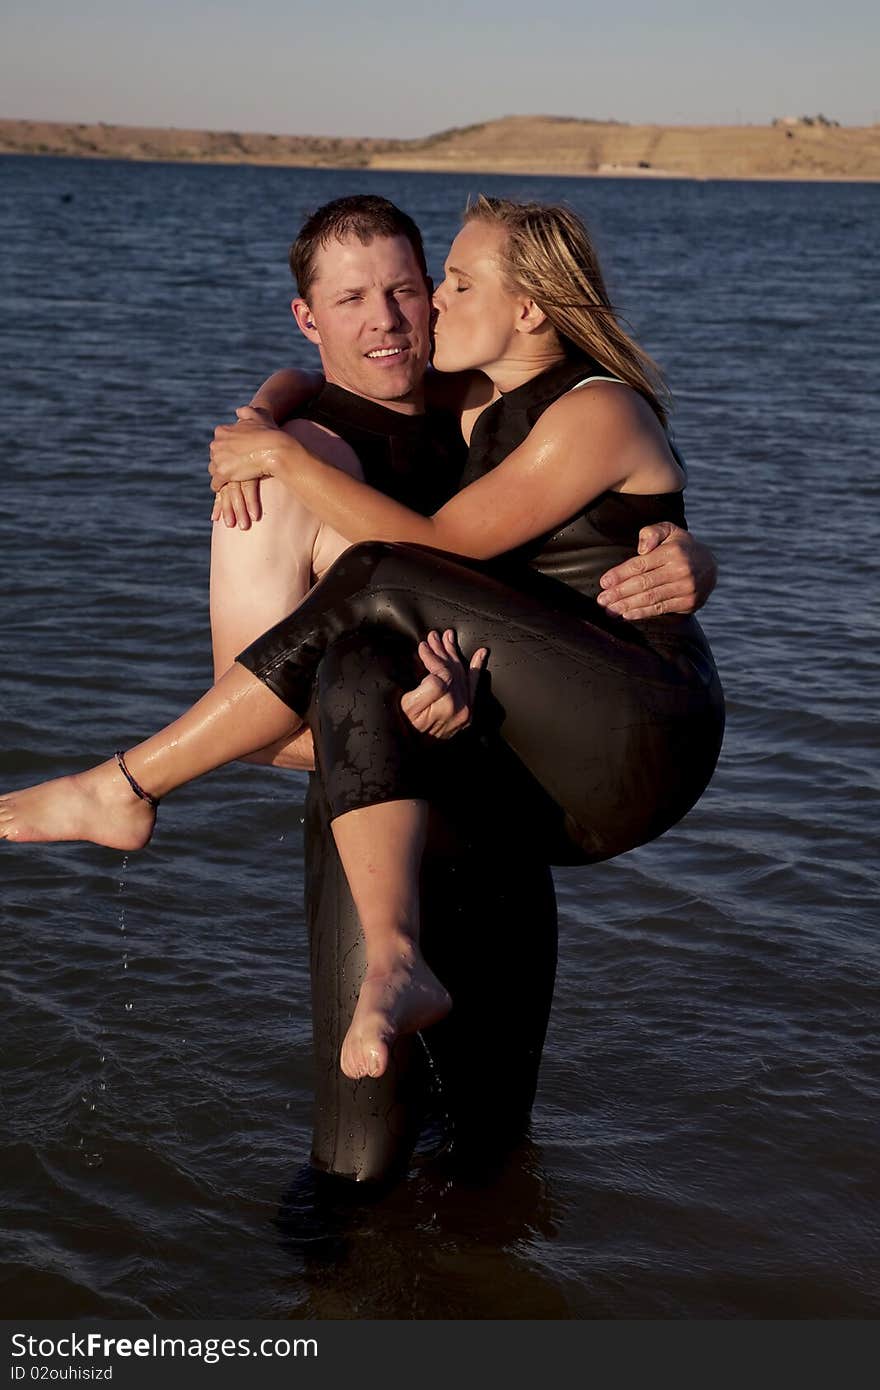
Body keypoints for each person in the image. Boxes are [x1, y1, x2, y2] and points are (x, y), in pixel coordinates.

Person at [1, 197, 722, 1159]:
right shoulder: (285, 465)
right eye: (350, 300)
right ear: (309, 316)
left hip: (519, 794)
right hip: (377, 809)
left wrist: (695, 556)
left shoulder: (479, 402)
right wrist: (269, 433)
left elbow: (551, 530)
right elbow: (253, 707)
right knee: (360, 1163)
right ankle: (338, 1293)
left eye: (417, 289)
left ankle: (125, 785)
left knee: (495, 1147)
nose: (388, 319)